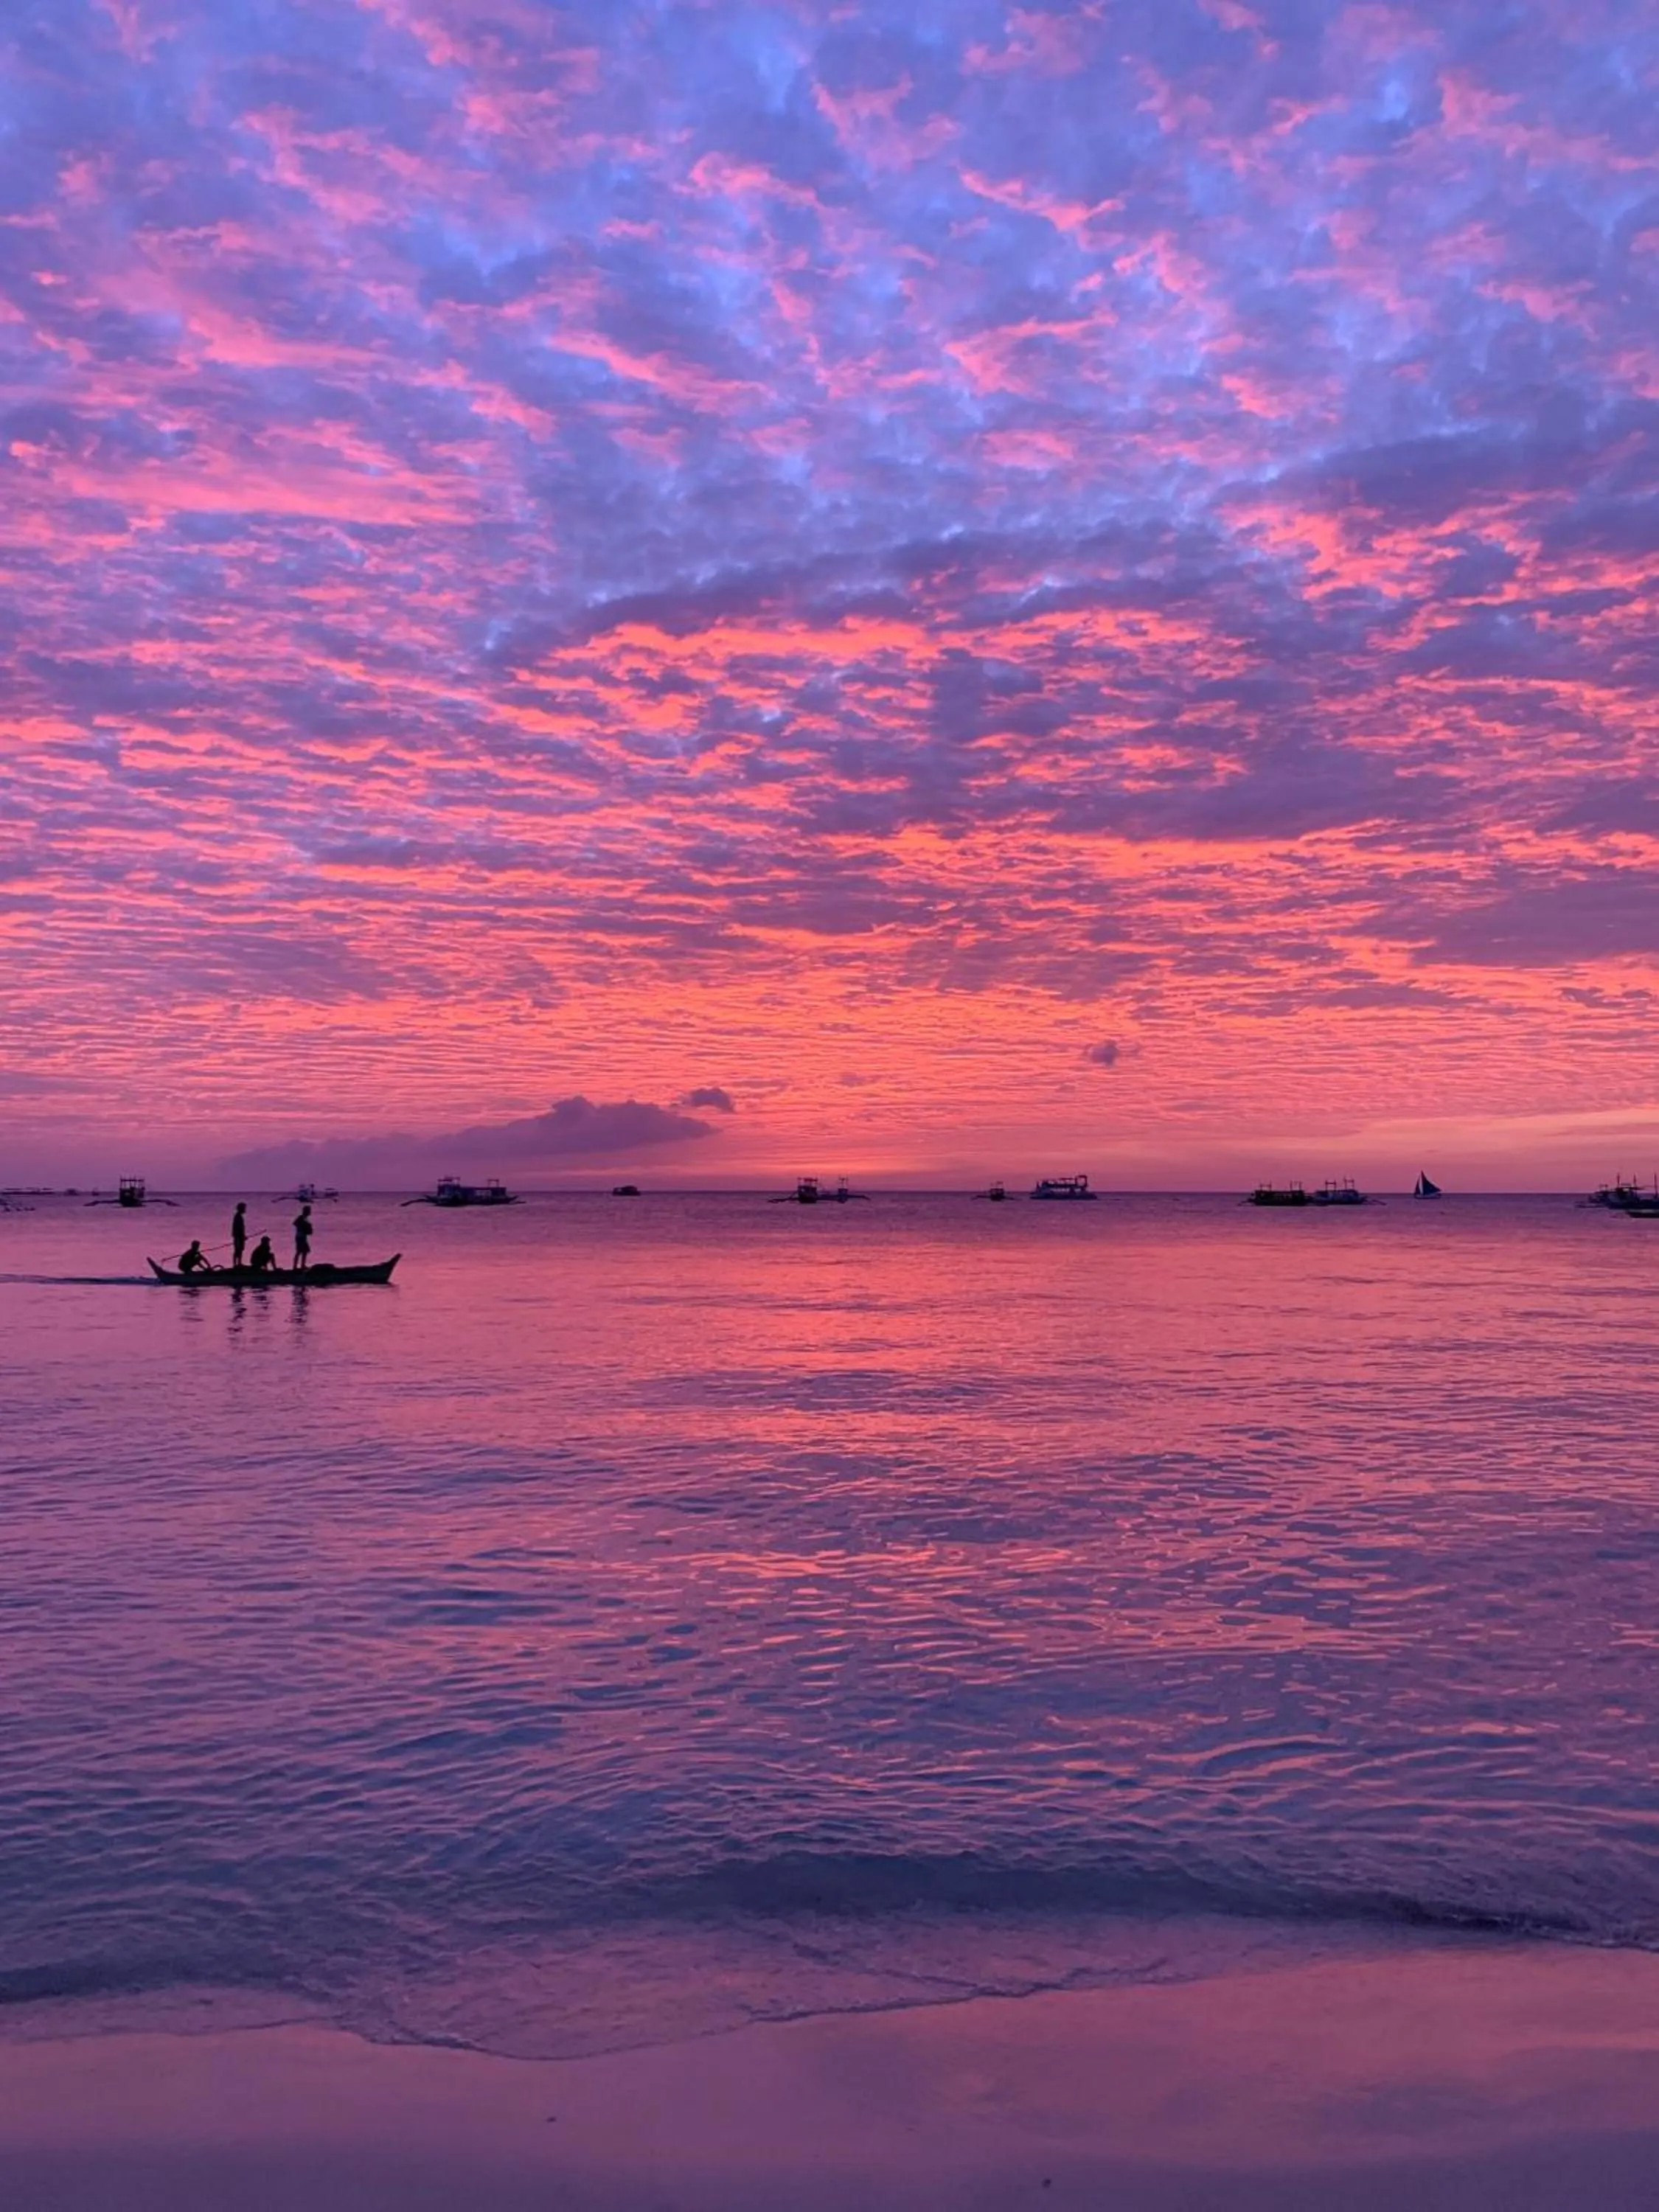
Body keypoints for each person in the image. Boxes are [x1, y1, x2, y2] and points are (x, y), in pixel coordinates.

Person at [292, 1203, 313, 1274]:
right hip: (300, 1237)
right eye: (309, 1211)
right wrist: (303, 1226)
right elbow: (295, 1223)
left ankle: (302, 1265)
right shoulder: (301, 1217)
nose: (310, 1212)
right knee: (299, 1252)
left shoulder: (306, 1219)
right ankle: (295, 1267)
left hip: (303, 1237)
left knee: (305, 1251)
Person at [231, 1202, 248, 1268]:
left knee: (240, 1250)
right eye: (244, 1208)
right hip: (238, 1237)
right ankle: (236, 1264)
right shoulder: (237, 1217)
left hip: (240, 1237)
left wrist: (243, 1236)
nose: (245, 1210)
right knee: (237, 1250)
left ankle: (239, 1263)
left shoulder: (239, 1217)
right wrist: (239, 1237)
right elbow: (237, 1229)